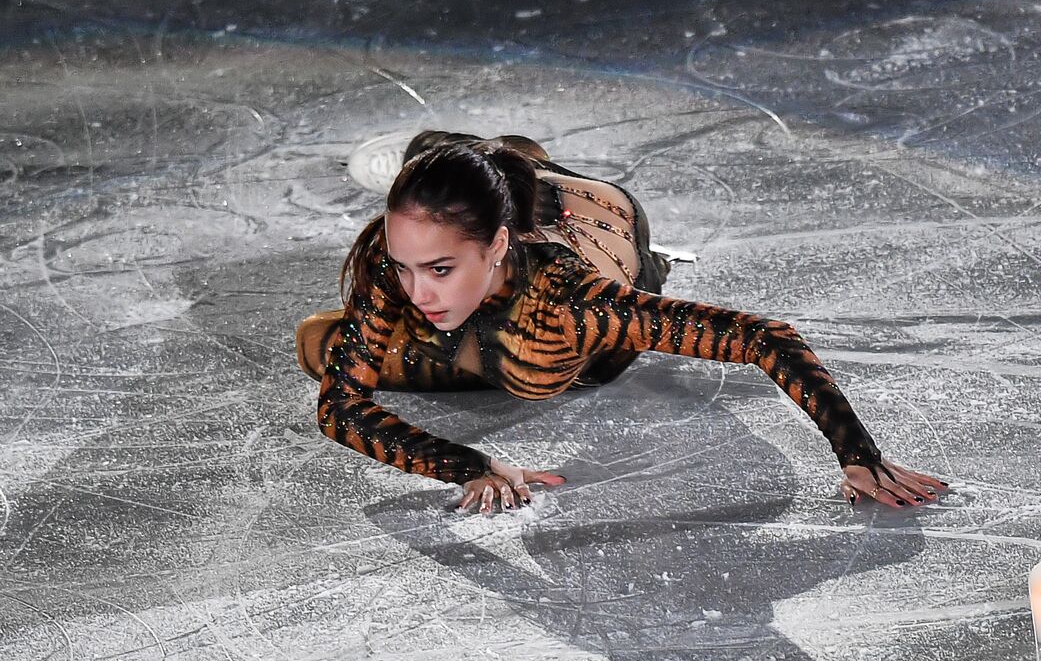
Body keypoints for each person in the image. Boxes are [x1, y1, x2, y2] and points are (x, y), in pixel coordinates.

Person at [296, 130, 949, 514]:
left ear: (497, 246)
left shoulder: (574, 303)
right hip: (500, 289)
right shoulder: (396, 267)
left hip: (598, 223)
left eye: (437, 269)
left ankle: (518, 159)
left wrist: (858, 456)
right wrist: (464, 462)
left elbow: (761, 335)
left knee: (509, 171)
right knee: (316, 344)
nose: (413, 290)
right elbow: (340, 406)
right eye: (406, 268)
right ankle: (476, 153)